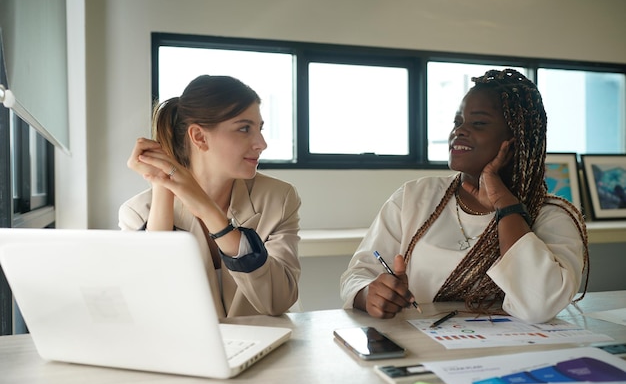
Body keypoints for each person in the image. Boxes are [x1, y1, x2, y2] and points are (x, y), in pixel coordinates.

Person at [340, 69, 589, 324]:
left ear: (516, 140)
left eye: (478, 123)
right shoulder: (414, 197)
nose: (459, 131)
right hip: (422, 349)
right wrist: (369, 293)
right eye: (457, 122)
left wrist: (506, 206)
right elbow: (358, 274)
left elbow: (540, 305)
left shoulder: (553, 216)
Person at [119, 75, 301, 317]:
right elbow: (150, 304)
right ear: (199, 137)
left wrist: (210, 212)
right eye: (244, 128)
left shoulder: (279, 198)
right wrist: (162, 185)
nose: (261, 143)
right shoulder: (138, 212)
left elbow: (278, 301)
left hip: (268, 350)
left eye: (260, 129)